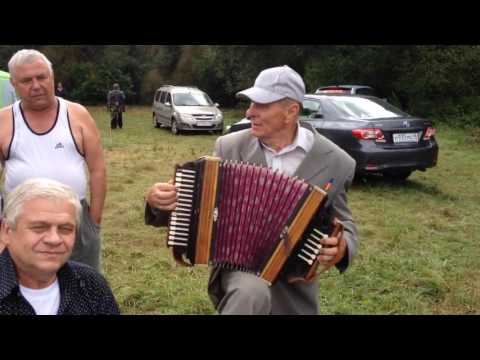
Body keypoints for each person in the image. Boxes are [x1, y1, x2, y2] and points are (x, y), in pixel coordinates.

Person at [144, 65, 359, 315]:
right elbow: (196, 207)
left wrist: (342, 247)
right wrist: (158, 202)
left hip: (293, 287)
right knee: (251, 291)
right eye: (251, 103)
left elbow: (344, 223)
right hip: (239, 271)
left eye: (262, 105)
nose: (250, 112)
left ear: (291, 111)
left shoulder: (336, 161)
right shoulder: (229, 146)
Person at [0, 49, 106, 271]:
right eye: (27, 80)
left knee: (82, 285)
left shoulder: (77, 114)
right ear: (14, 84)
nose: (36, 85)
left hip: (74, 219)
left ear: (52, 77)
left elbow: (97, 169)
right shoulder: (4, 120)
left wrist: (93, 221)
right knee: (23, 285)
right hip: (21, 222)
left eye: (41, 77)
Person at [0, 178, 119, 315]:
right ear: (6, 231)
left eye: (65, 229)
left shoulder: (91, 285)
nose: (54, 239)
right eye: (39, 227)